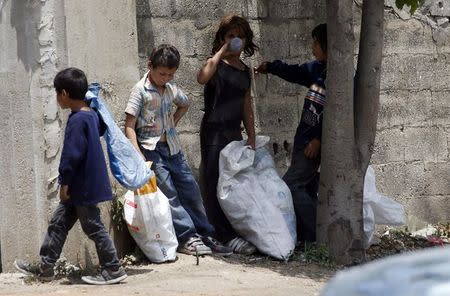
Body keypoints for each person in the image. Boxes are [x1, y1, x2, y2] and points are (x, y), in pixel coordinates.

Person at [14, 67, 127, 285]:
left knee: (93, 226)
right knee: (59, 223)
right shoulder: (91, 115)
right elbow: (102, 128)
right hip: (84, 185)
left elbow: (71, 155)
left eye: (57, 93)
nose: (57, 98)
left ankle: (113, 268)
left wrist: (64, 182)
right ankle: (46, 267)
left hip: (81, 186)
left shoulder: (77, 120)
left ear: (64, 93)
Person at [124, 44, 232, 256]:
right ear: (150, 66)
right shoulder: (140, 91)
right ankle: (187, 238)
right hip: (151, 150)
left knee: (190, 190)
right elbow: (129, 126)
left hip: (173, 148)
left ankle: (206, 234)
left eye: (170, 75)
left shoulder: (171, 89)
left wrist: (171, 123)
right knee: (170, 194)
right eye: (162, 73)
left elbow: (185, 103)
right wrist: (138, 155)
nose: (165, 78)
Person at [255, 23, 327, 243]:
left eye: (316, 42)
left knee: (291, 186)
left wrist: (318, 139)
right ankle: (310, 235)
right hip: (303, 140)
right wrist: (271, 67)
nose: (312, 46)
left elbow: (338, 113)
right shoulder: (318, 70)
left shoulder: (340, 77)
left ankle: (316, 237)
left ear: (327, 45)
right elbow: (295, 72)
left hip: (311, 145)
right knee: (306, 185)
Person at [197, 15, 258, 255]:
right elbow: (201, 77)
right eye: (230, 36)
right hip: (213, 130)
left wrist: (251, 134)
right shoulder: (216, 65)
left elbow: (246, 104)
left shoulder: (245, 71)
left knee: (231, 184)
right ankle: (220, 235)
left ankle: (231, 231)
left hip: (233, 132)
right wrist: (222, 51)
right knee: (213, 180)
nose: (235, 41)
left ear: (246, 41)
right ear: (222, 38)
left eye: (239, 37)